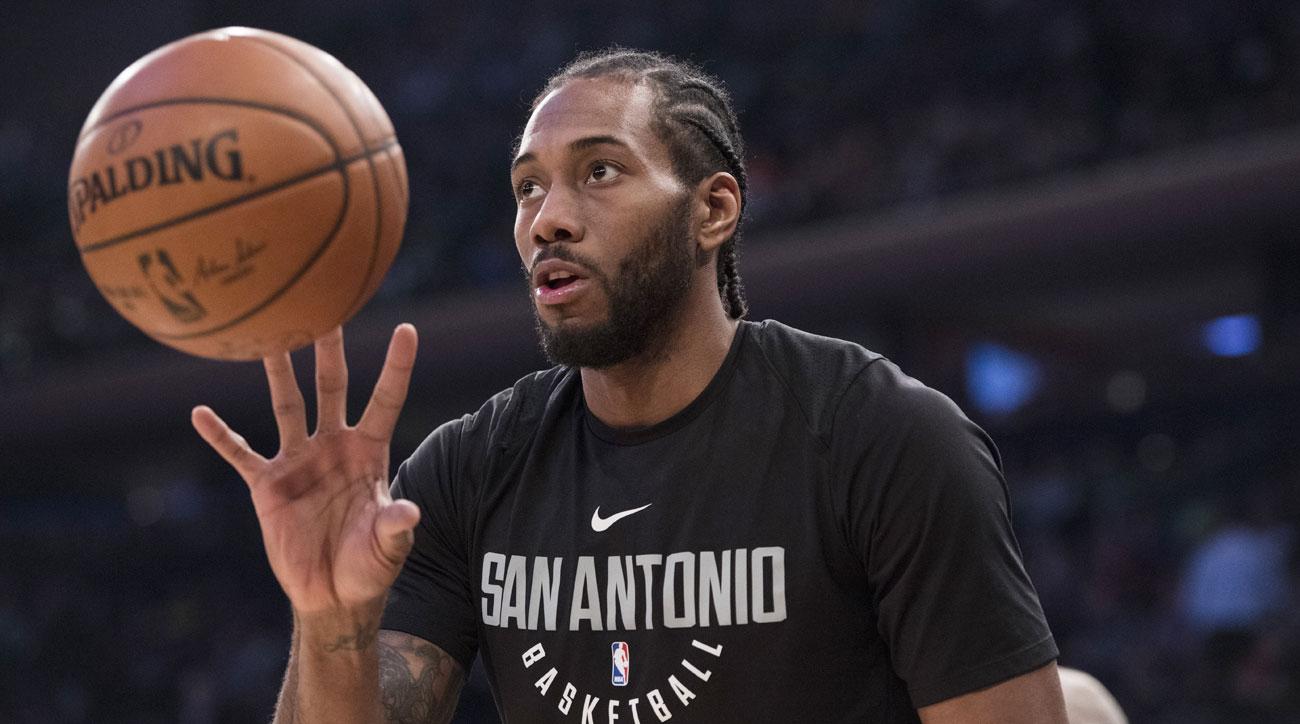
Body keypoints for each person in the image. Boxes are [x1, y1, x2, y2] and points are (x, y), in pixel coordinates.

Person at [192, 49, 1067, 723]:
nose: (547, 220)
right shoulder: (467, 471)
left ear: (713, 211)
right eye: (527, 188)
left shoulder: (881, 437)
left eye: (599, 172)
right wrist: (328, 618)